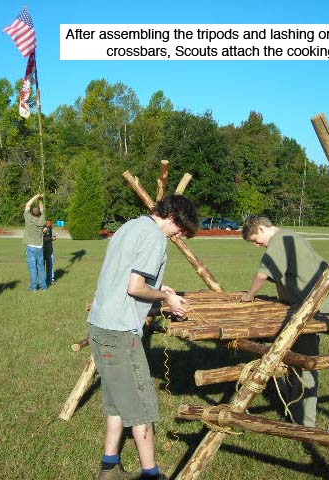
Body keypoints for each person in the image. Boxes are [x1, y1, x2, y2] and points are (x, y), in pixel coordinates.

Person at [88, 195, 198, 480]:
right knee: (141, 407)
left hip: (100, 325)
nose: (179, 236)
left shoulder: (131, 226)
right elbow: (135, 287)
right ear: (173, 217)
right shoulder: (154, 237)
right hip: (120, 332)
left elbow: (127, 275)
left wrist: (162, 290)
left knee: (117, 402)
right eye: (181, 230)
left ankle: (109, 468)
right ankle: (152, 475)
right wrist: (167, 299)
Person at [240, 214, 329, 428]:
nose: (257, 245)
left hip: (310, 311)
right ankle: (294, 410)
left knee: (305, 363)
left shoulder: (279, 241)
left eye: (255, 239)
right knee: (291, 358)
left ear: (262, 229)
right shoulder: (290, 236)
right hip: (302, 308)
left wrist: (249, 295)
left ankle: (306, 424)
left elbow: (263, 275)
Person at [23, 193, 47, 291]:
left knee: (33, 268)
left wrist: (37, 196)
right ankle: (44, 287)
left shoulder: (28, 218)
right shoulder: (42, 219)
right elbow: (42, 209)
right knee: (41, 268)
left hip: (30, 248)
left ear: (31, 212)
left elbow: (27, 204)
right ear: (39, 214)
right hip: (39, 248)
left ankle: (33, 288)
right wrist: (41, 200)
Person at [42, 219, 56, 286]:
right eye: (47, 222)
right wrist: (51, 238)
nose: (48, 224)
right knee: (42, 266)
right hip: (42, 251)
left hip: (50, 251)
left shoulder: (51, 229)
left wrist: (53, 238)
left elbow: (54, 237)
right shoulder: (42, 230)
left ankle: (51, 280)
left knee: (50, 266)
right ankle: (43, 280)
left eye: (49, 223)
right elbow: (43, 239)